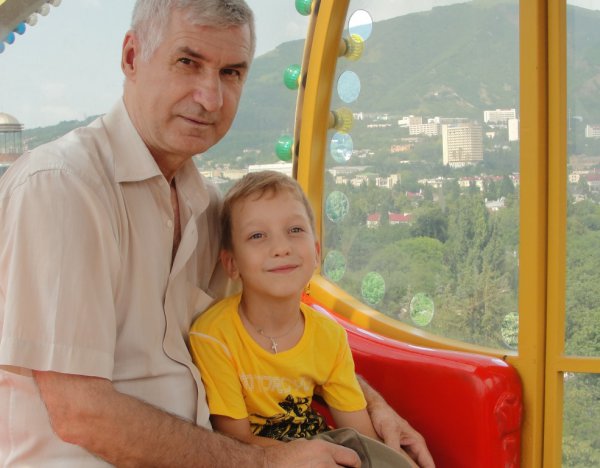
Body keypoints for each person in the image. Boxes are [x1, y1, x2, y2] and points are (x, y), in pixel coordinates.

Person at [0, 0, 434, 466]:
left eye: (231, 73)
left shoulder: (207, 207)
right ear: (131, 57)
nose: (210, 98)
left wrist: (372, 405)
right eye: (188, 62)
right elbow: (80, 413)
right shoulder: (62, 187)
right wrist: (266, 463)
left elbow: (271, 327)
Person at [189, 171, 425, 468]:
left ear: (315, 252)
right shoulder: (214, 336)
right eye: (257, 235)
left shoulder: (329, 337)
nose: (281, 248)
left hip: (325, 449)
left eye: (295, 230)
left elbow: (361, 437)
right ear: (232, 263)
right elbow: (237, 441)